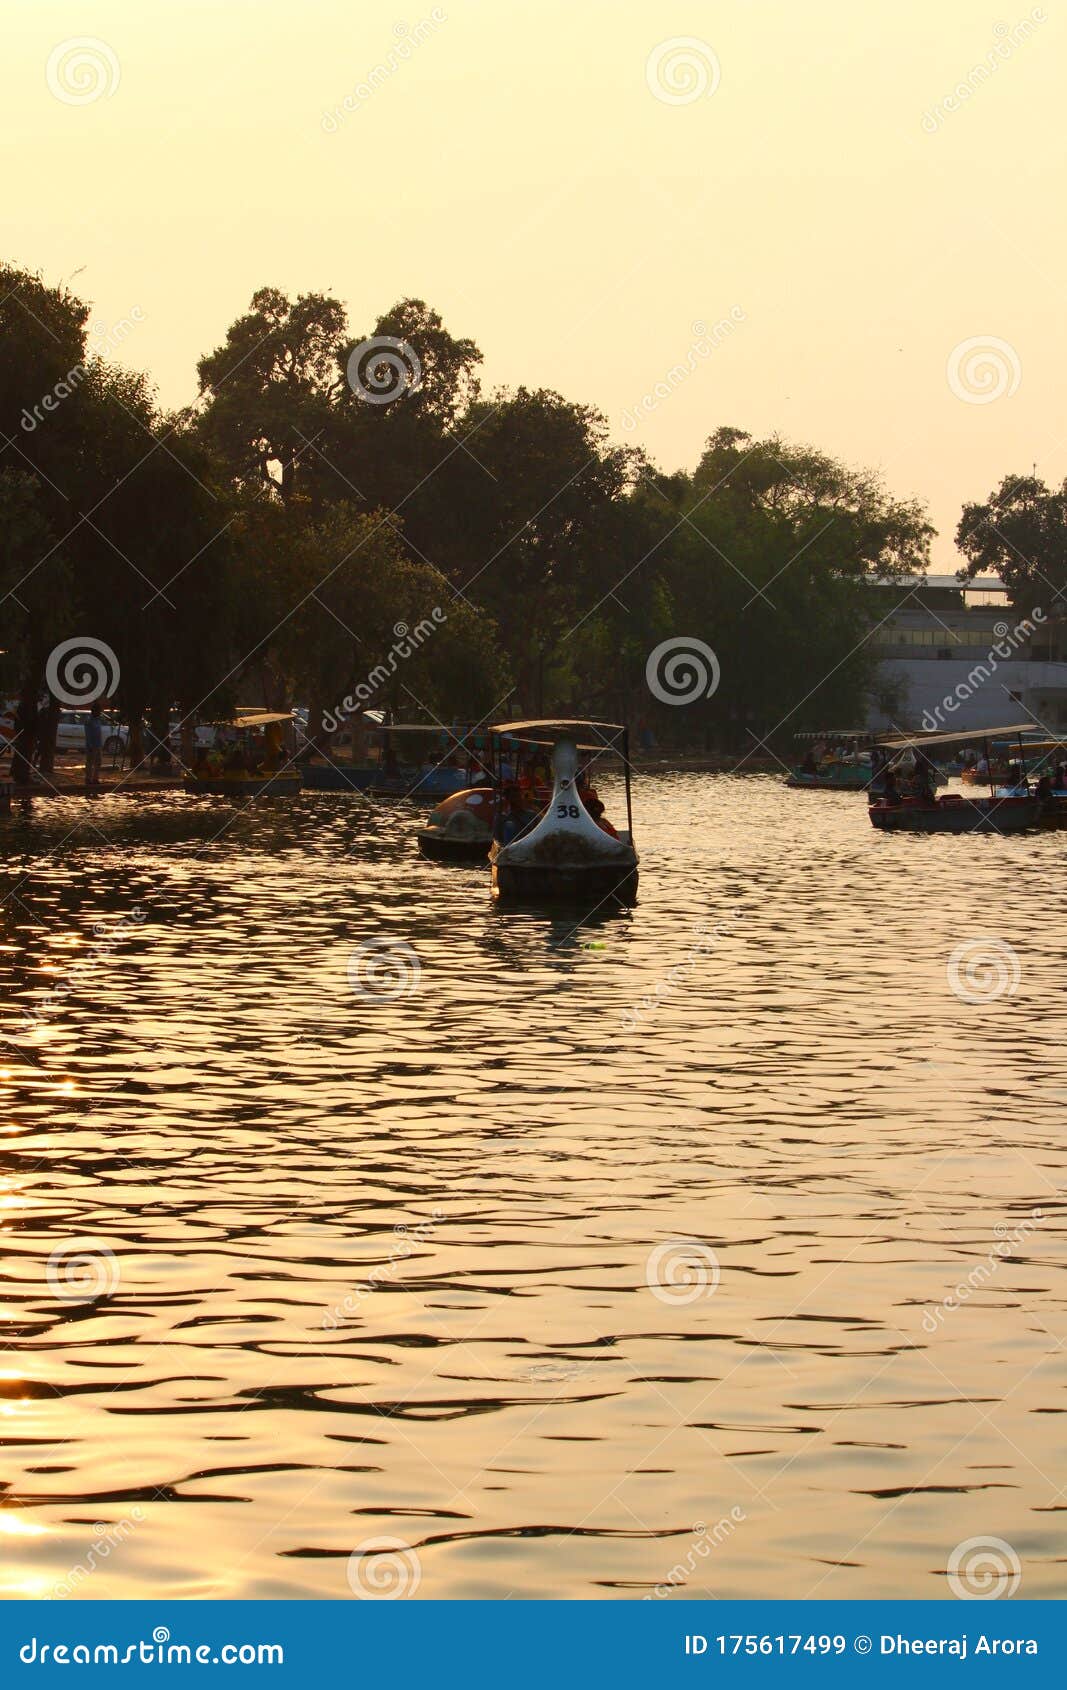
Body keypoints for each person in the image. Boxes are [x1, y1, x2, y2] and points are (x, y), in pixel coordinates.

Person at [83, 701, 104, 793]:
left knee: (98, 762)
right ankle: (88, 779)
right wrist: (90, 745)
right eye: (99, 711)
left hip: (98, 745)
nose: (100, 713)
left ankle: (95, 778)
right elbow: (88, 734)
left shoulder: (98, 720)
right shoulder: (89, 721)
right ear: (95, 711)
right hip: (92, 745)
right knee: (90, 762)